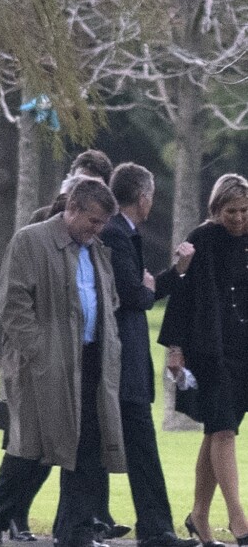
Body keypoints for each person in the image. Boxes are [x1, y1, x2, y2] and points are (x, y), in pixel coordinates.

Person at [0, 178, 126, 547]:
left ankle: (74, 534)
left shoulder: (96, 249)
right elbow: (12, 306)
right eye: (92, 221)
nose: (97, 229)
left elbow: (109, 301)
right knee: (29, 452)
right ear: (71, 209)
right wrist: (42, 353)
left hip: (91, 363)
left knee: (88, 451)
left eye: (103, 223)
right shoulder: (30, 240)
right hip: (41, 368)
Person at [98, 163, 197, 547]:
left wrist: (170, 275)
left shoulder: (122, 233)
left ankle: (84, 523)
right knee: (139, 447)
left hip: (127, 361)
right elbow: (136, 296)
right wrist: (161, 280)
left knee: (112, 446)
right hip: (122, 362)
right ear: (143, 198)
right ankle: (155, 530)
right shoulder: (117, 235)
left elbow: (144, 293)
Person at [159, 174, 248, 547]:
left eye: (245, 211)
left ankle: (198, 514)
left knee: (216, 431)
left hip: (244, 350)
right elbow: (180, 295)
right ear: (215, 210)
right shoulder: (201, 239)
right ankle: (240, 521)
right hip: (209, 350)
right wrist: (175, 348)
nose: (239, 218)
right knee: (224, 429)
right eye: (231, 211)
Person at [28, 149, 113, 224]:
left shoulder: (106, 224)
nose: (85, 191)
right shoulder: (40, 217)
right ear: (69, 180)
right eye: (78, 183)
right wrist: (62, 199)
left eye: (93, 187)